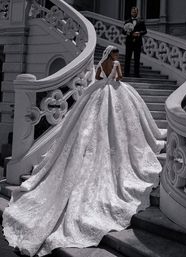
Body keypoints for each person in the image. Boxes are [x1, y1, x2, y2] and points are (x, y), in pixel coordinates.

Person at [2, 45, 166, 257]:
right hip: (115, 92)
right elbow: (120, 79)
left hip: (98, 93)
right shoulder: (116, 64)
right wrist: (114, 78)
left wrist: (105, 79)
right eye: (115, 54)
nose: (116, 57)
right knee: (118, 125)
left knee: (91, 125)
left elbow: (98, 76)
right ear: (114, 55)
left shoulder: (102, 64)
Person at [123, 6, 147, 77]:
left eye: (135, 11)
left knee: (137, 58)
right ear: (131, 12)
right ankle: (126, 73)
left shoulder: (141, 21)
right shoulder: (127, 21)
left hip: (138, 42)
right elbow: (123, 31)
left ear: (137, 12)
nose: (134, 13)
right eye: (133, 11)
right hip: (129, 42)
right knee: (127, 58)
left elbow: (145, 31)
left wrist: (139, 33)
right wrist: (129, 32)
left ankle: (136, 74)